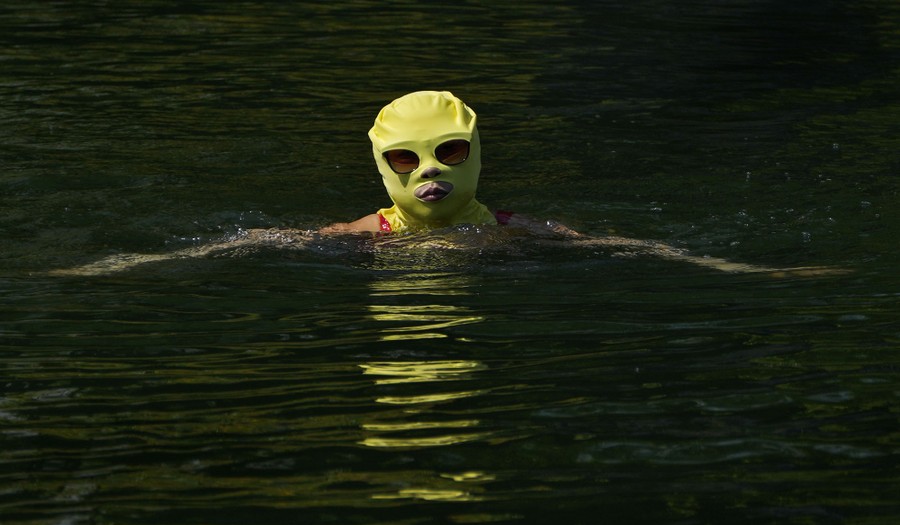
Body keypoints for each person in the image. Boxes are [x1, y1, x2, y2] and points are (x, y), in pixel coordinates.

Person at [49, 91, 843, 276]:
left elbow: (635, 247)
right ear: (384, 169)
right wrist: (126, 263)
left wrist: (744, 269)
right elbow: (250, 239)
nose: (427, 176)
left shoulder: (516, 227)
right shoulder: (371, 233)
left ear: (474, 158)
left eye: (448, 155)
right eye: (405, 162)